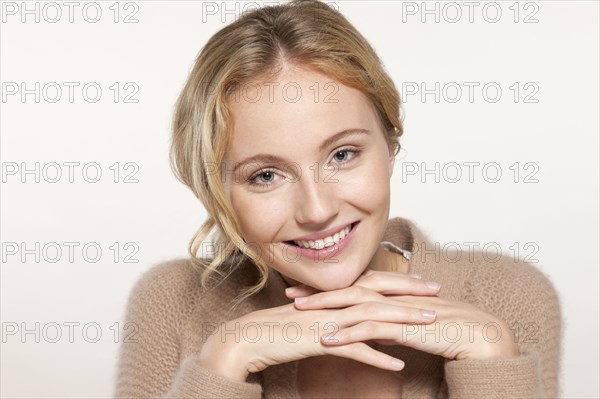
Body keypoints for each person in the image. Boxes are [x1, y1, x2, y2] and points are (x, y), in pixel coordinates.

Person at [114, 1, 561, 397]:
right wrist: (224, 362)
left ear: (390, 146)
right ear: (219, 192)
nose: (317, 210)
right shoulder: (173, 302)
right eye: (266, 175)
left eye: (342, 155)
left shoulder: (509, 296)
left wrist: (494, 363)